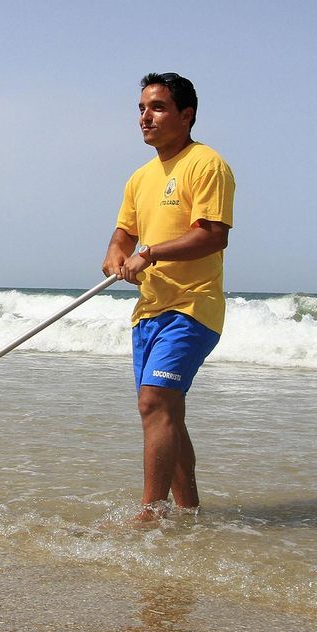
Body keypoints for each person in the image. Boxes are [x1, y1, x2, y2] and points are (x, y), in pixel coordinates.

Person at [101, 73, 234, 523]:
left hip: (192, 307)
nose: (145, 117)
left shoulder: (206, 164)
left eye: (156, 107)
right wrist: (116, 255)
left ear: (186, 114)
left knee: (153, 402)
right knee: (167, 412)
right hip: (149, 311)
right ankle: (189, 513)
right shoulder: (140, 177)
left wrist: (149, 254)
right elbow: (122, 235)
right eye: (141, 108)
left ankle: (149, 515)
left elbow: (212, 237)